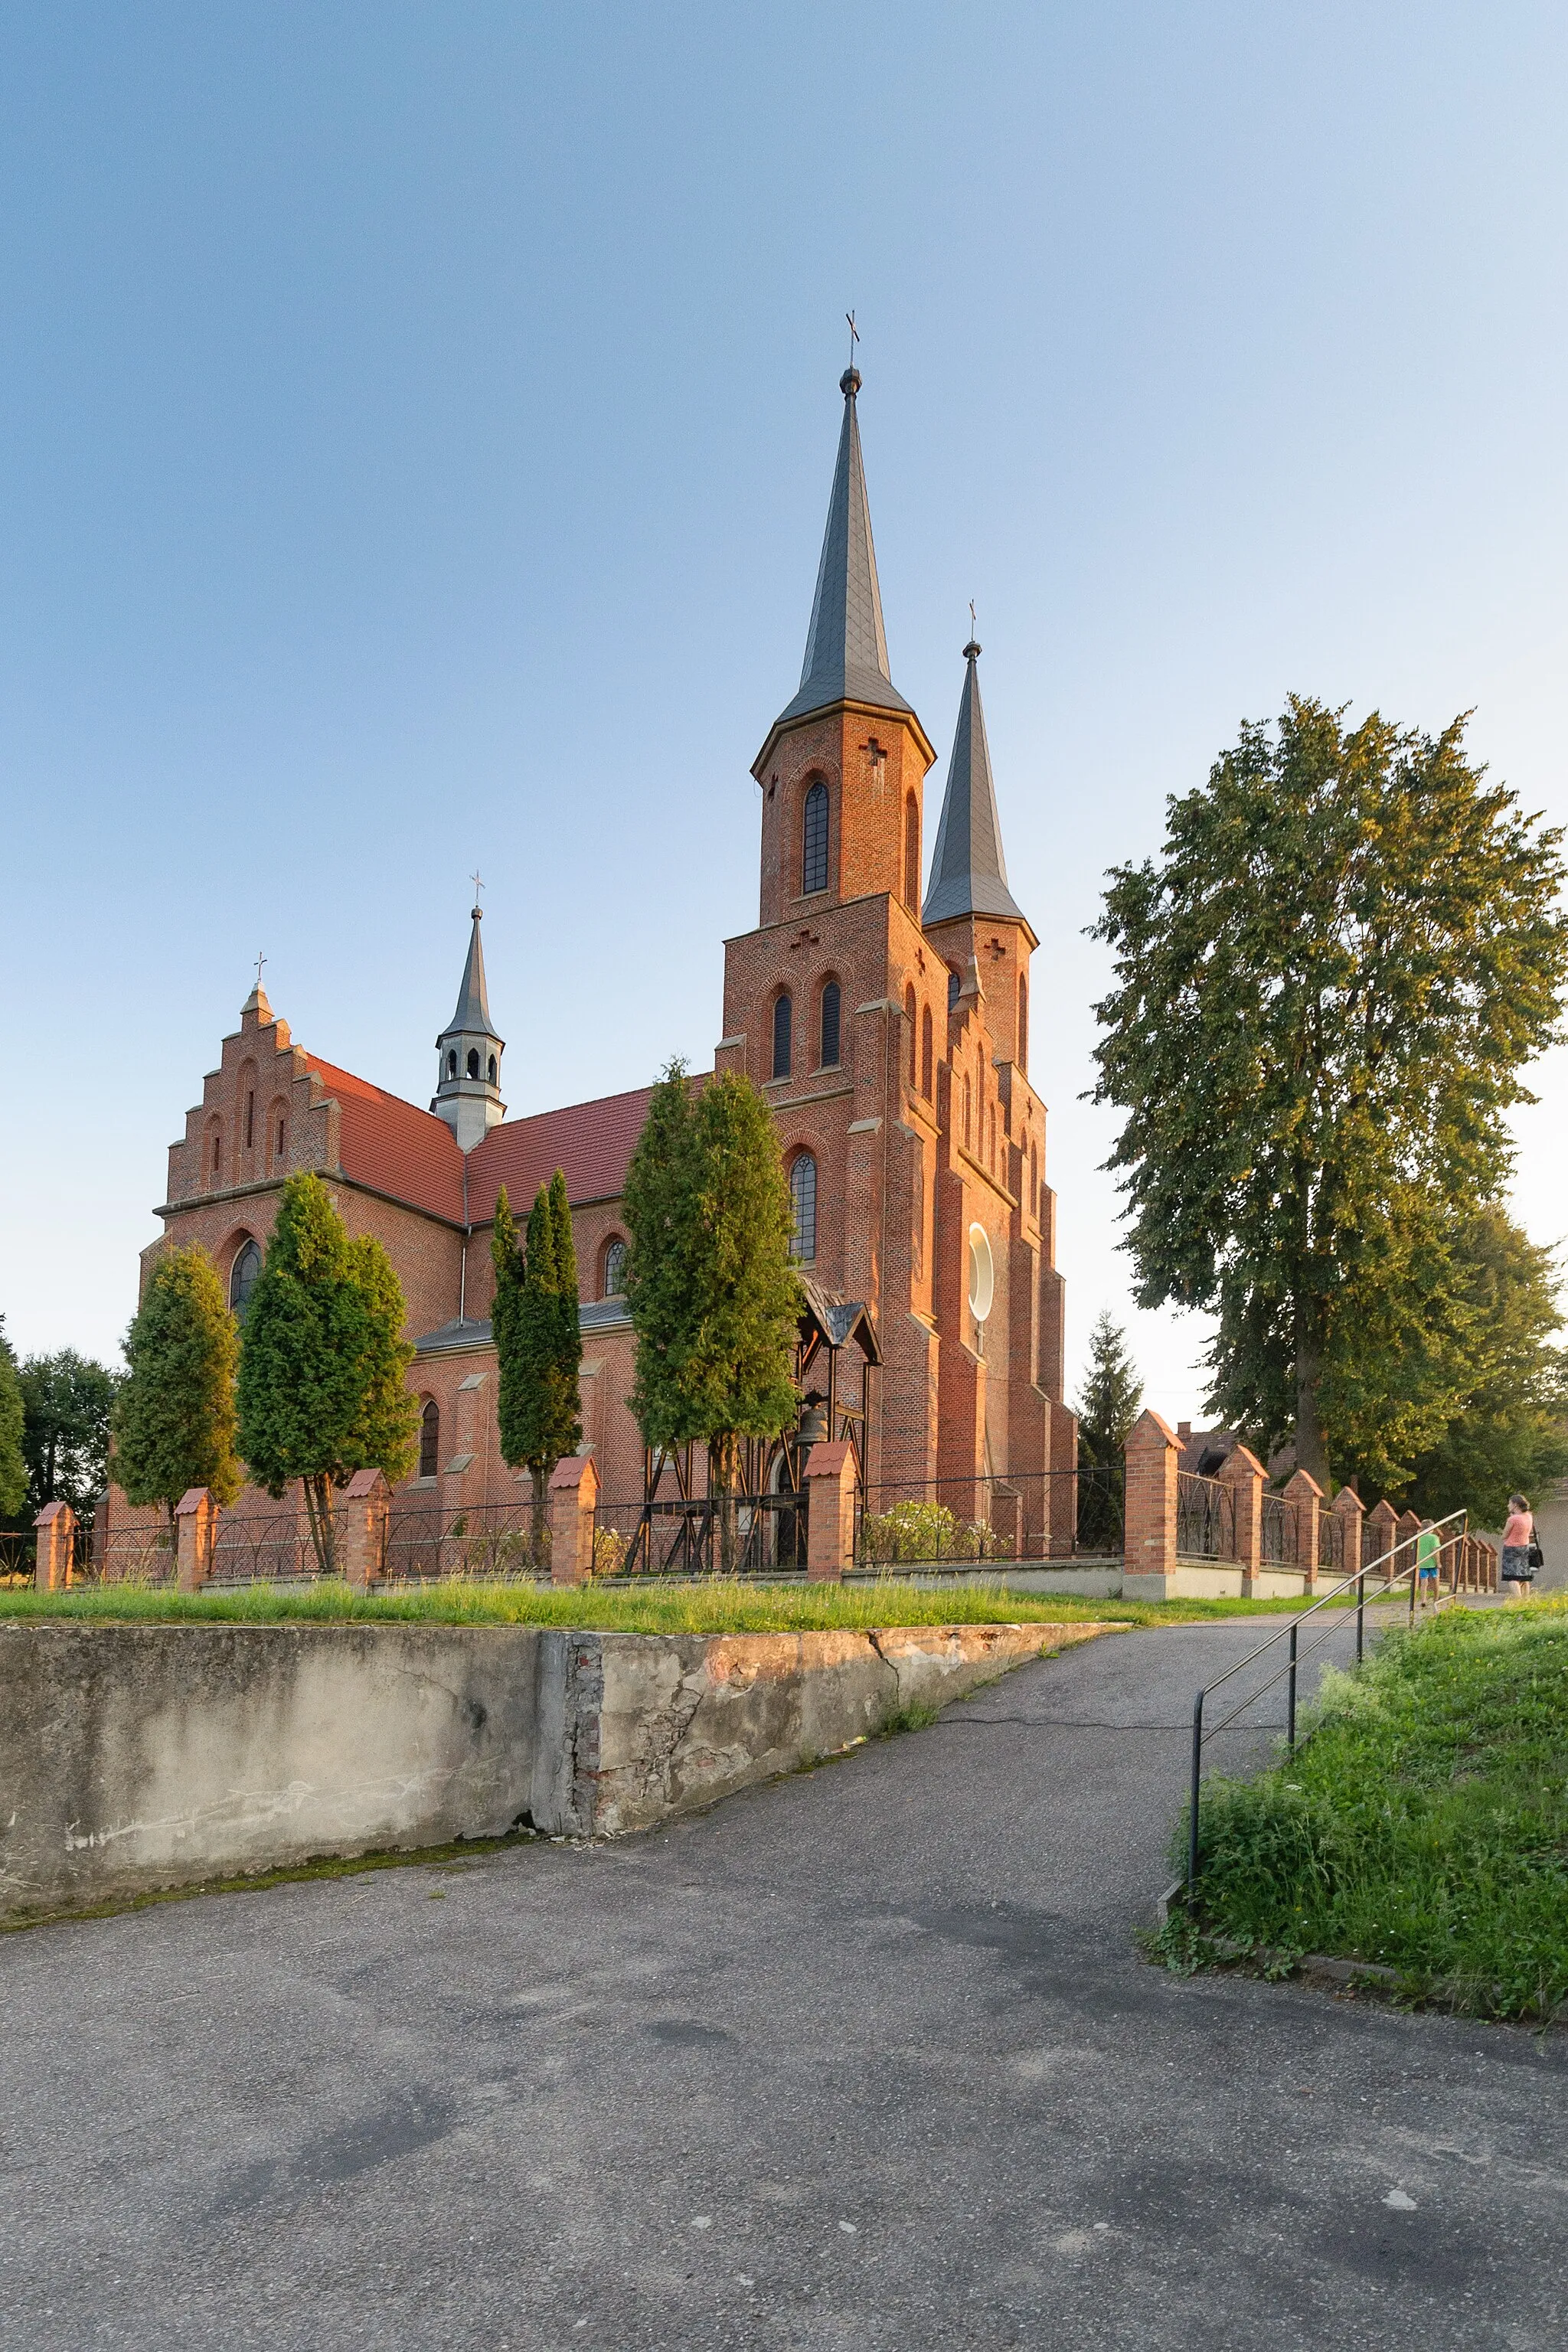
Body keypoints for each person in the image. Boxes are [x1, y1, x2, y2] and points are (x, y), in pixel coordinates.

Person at [1500, 1494, 1535, 1600]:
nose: (1508, 1506)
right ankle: (1526, 1599)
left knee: (1512, 1576)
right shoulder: (1529, 1516)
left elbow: (1504, 1535)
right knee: (1524, 1575)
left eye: (1510, 1503)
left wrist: (1511, 1517)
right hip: (1524, 1547)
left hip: (1511, 1548)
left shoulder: (1513, 1519)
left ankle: (1518, 1600)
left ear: (1515, 1505)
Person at [1415, 1517, 1442, 1602]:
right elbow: (1435, 1551)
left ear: (1422, 1528)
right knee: (1435, 1580)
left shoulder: (1419, 1538)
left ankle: (1423, 1600)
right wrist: (1438, 1563)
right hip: (1432, 1563)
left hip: (1422, 1563)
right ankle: (1436, 1598)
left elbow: (1415, 1550)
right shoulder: (1434, 1538)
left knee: (1423, 1582)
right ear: (1432, 1528)